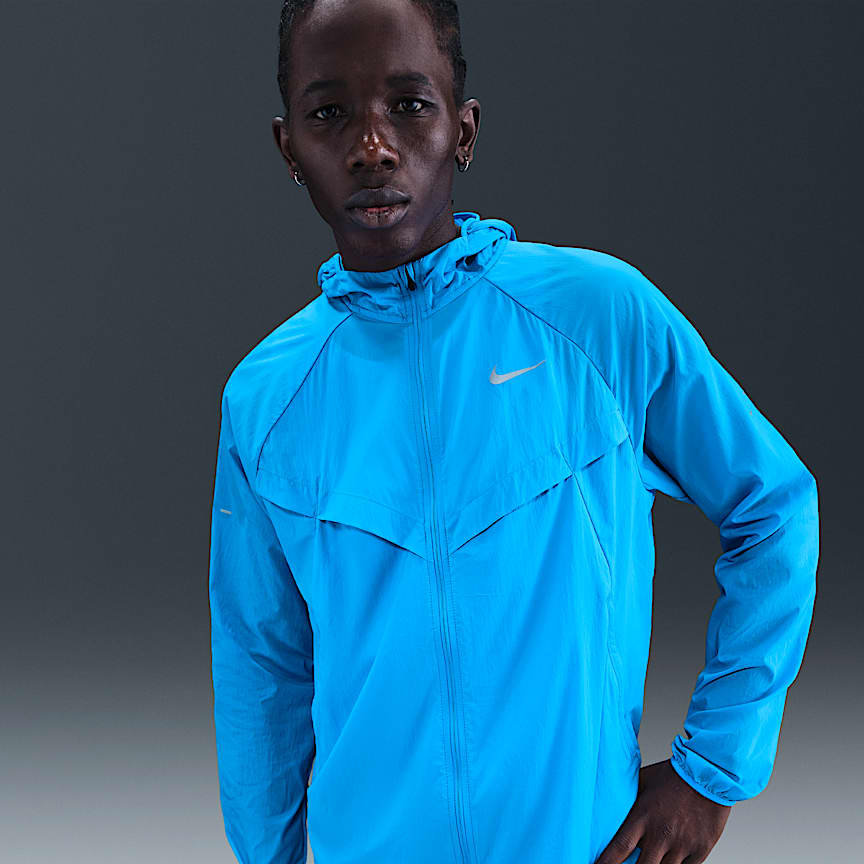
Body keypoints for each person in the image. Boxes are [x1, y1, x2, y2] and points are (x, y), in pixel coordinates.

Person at [207, 1, 820, 862]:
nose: (372, 146)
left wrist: (714, 769)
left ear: (463, 130)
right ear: (288, 148)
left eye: (408, 105)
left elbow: (775, 508)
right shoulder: (267, 396)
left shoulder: (599, 317)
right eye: (330, 112)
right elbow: (259, 667)